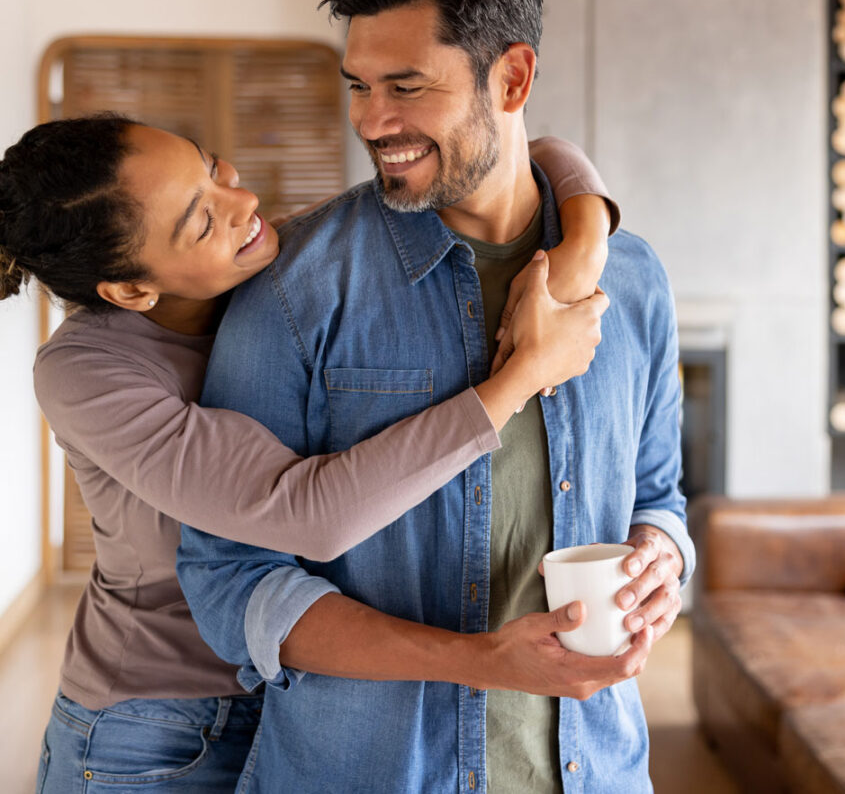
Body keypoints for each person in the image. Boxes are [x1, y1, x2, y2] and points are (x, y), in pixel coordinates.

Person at [178, 0, 694, 794]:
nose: (375, 123)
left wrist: (660, 561)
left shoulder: (632, 278)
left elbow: (658, 493)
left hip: (597, 768)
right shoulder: (298, 290)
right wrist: (482, 661)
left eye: (408, 88)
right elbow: (231, 577)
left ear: (514, 76)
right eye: (359, 87)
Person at [0, 114, 615, 793]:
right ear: (131, 291)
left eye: (211, 166)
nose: (242, 203)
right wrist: (521, 378)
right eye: (201, 221)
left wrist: (581, 245)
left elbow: (540, 150)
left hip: (302, 701)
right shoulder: (85, 373)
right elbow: (305, 510)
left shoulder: (278, 269)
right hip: (155, 731)